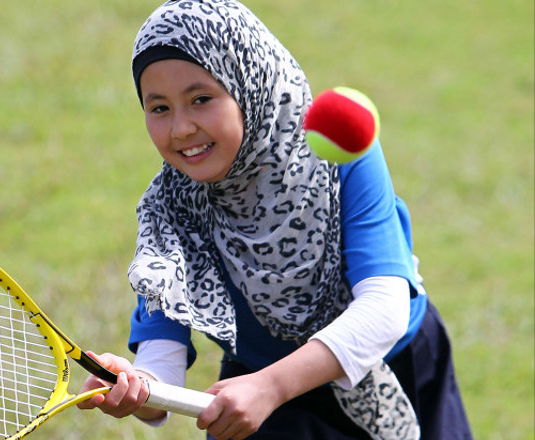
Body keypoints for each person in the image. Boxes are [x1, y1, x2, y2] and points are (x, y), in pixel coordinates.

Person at [78, 1, 472, 439]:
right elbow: (162, 361)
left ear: (252, 84)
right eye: (159, 108)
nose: (181, 128)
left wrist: (272, 384)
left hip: (392, 366)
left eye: (201, 99)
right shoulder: (171, 208)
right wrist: (137, 386)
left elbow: (384, 309)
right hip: (258, 398)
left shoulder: (337, 151)